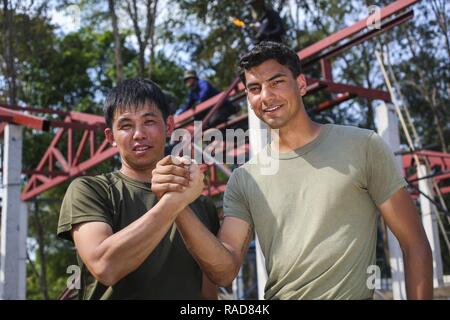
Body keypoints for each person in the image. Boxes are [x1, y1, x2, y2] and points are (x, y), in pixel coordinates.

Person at [151, 42, 433, 299]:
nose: (266, 96)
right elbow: (224, 271)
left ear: (301, 84)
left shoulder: (362, 146)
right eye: (254, 88)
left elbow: (415, 244)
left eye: (276, 82)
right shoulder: (244, 178)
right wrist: (177, 205)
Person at [57, 78, 220, 300]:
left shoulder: (202, 206)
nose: (138, 134)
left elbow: (208, 294)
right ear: (110, 137)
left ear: (169, 126)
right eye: (125, 126)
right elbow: (105, 266)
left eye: (149, 121)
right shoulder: (90, 190)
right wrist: (174, 201)